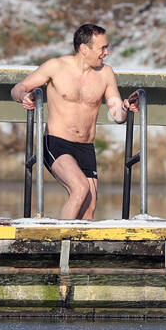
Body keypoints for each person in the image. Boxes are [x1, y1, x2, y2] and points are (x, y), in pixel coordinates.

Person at [10, 24, 137, 220]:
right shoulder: (56, 67)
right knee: (80, 188)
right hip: (56, 142)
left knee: (89, 208)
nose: (106, 52)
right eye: (102, 48)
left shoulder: (105, 74)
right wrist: (24, 96)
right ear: (84, 49)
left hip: (85, 147)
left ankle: (78, 250)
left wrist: (126, 108)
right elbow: (19, 87)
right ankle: (63, 246)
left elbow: (117, 115)